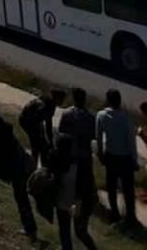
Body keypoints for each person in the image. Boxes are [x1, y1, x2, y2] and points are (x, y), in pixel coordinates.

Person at [0, 111, 38, 241]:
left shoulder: (5, 134)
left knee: (21, 198)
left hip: (17, 168)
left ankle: (30, 229)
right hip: (6, 166)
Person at [58, 90, 99, 247]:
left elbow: (61, 133)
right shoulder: (91, 118)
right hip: (84, 160)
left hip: (70, 159)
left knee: (65, 206)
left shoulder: (67, 114)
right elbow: (93, 137)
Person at [96, 88, 141, 226]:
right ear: (119, 101)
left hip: (110, 155)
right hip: (125, 158)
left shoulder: (101, 115)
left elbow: (98, 136)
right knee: (128, 189)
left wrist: (100, 152)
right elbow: (131, 141)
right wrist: (134, 160)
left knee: (111, 186)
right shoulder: (126, 118)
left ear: (108, 100)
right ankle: (130, 216)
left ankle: (114, 213)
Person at [50, 134, 99, 250]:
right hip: (76, 202)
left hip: (73, 202)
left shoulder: (58, 162)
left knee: (69, 231)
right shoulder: (80, 163)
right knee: (79, 232)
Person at [19, 89, 66, 166]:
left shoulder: (51, 104)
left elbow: (48, 123)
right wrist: (41, 136)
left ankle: (41, 164)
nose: (63, 101)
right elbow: (36, 120)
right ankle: (34, 165)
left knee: (42, 145)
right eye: (62, 99)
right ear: (57, 98)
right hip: (27, 121)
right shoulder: (45, 106)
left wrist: (50, 140)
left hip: (33, 121)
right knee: (37, 146)